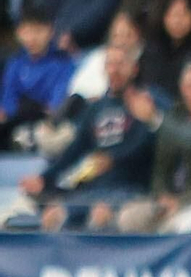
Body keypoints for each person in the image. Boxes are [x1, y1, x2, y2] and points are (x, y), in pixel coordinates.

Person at [19, 45, 156, 231]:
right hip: (92, 188)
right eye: (110, 64)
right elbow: (75, 149)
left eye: (120, 64)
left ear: (134, 69)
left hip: (131, 189)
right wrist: (44, 178)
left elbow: (155, 146)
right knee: (55, 216)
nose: (114, 70)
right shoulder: (95, 108)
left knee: (100, 218)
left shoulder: (149, 102)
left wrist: (115, 158)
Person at [117, 59, 191, 232]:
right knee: (128, 218)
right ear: (182, 88)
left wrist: (154, 119)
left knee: (175, 226)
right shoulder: (174, 114)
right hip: (166, 199)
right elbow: (160, 167)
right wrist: (162, 196)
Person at [0, 6, 77, 152]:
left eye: (38, 31)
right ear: (18, 33)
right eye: (27, 31)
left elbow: (56, 104)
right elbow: (8, 101)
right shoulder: (15, 63)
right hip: (13, 121)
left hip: (43, 123)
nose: (32, 38)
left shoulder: (63, 64)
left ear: (50, 31)